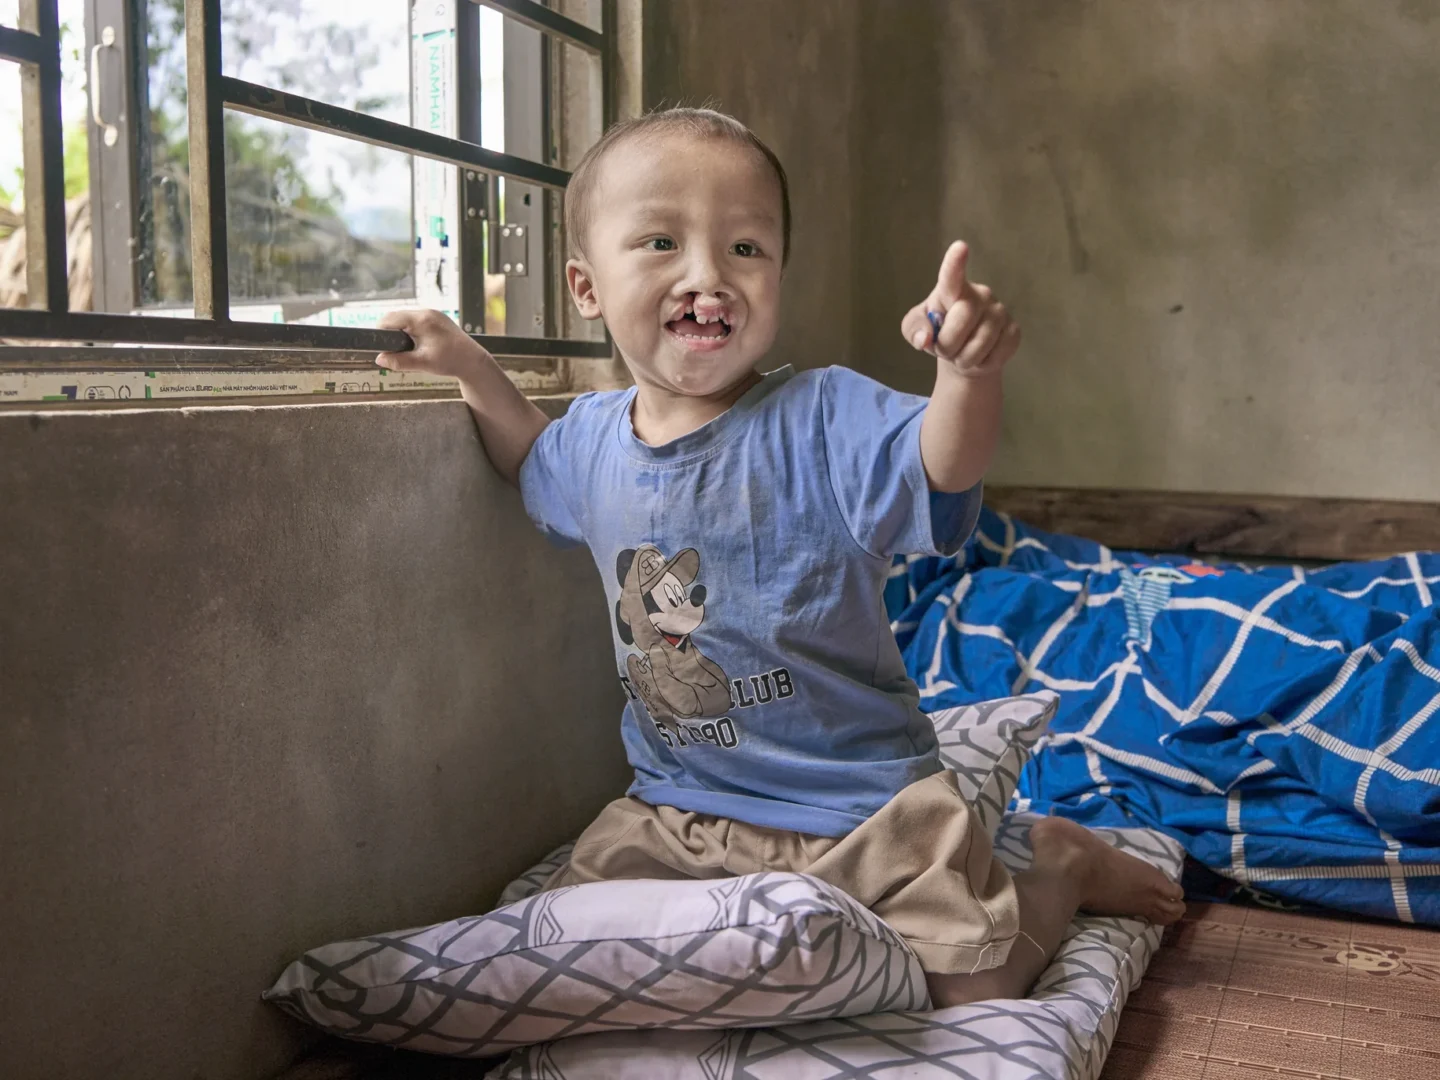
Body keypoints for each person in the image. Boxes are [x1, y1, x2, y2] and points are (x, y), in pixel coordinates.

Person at [375, 107, 1185, 1007]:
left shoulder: (825, 415)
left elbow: (942, 463)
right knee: (576, 951)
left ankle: (1061, 868)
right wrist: (468, 365)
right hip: (676, 809)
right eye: (658, 241)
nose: (707, 276)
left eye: (746, 249)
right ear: (586, 288)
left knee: (977, 987)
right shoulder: (594, 441)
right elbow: (528, 457)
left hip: (864, 806)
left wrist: (968, 375)